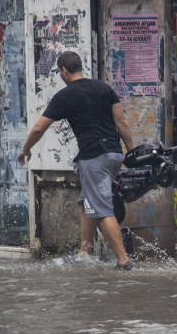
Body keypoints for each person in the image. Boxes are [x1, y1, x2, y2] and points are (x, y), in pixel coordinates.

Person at [17, 51, 136, 270]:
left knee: (101, 208)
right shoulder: (104, 88)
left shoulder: (66, 95)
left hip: (94, 157)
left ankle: (123, 262)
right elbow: (122, 121)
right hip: (113, 155)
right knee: (87, 201)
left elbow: (38, 128)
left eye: (59, 71)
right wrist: (130, 151)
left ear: (63, 70)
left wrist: (25, 150)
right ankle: (84, 253)